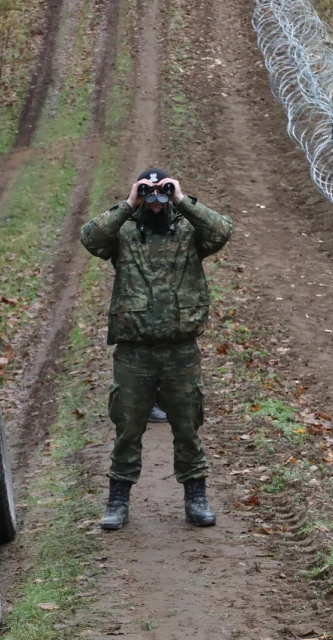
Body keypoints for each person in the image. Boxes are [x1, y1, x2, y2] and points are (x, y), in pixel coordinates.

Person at [80, 167, 234, 530]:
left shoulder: (187, 230)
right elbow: (90, 238)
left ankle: (196, 497)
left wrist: (181, 198)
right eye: (147, 192)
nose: (155, 199)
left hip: (180, 348)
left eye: (160, 192)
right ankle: (118, 500)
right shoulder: (125, 232)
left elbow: (222, 231)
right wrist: (128, 203)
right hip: (135, 350)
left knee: (187, 424)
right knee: (128, 426)